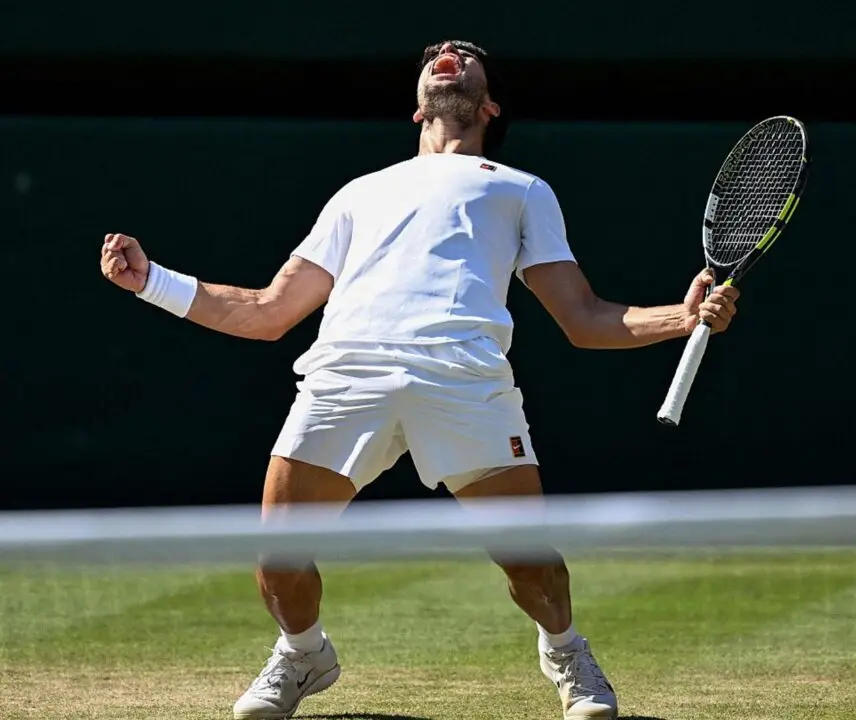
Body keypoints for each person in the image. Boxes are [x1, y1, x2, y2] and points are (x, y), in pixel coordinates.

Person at [99, 39, 740, 720]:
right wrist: (152, 284)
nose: (449, 52)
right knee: (277, 560)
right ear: (416, 108)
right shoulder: (359, 193)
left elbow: (583, 318)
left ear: (488, 103)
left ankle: (564, 650)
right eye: (438, 52)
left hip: (464, 378)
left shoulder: (521, 189)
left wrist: (685, 314)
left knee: (534, 567)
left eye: (468, 55)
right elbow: (267, 311)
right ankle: (303, 653)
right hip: (347, 375)